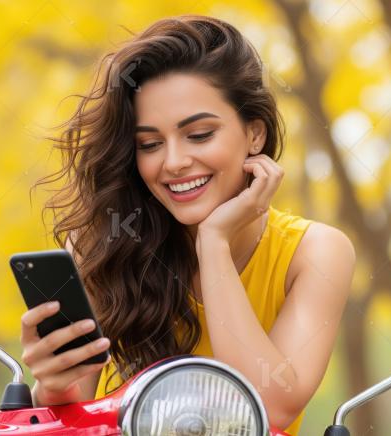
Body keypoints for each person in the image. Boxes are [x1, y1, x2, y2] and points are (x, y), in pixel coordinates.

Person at [21, 14, 355, 434]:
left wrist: (213, 243)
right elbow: (73, 417)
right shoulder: (102, 245)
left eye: (198, 135)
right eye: (150, 144)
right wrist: (51, 387)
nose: (174, 162)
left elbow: (269, 409)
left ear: (255, 134)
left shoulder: (317, 252)